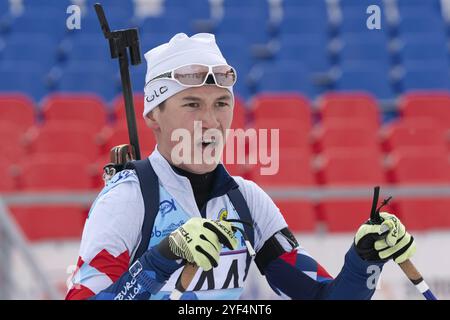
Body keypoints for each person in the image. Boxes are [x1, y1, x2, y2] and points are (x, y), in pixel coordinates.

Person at [66, 33, 416, 300]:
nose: (210, 121)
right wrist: (161, 259)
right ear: (153, 115)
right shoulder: (128, 198)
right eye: (191, 104)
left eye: (221, 103)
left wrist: (364, 260)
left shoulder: (246, 200)